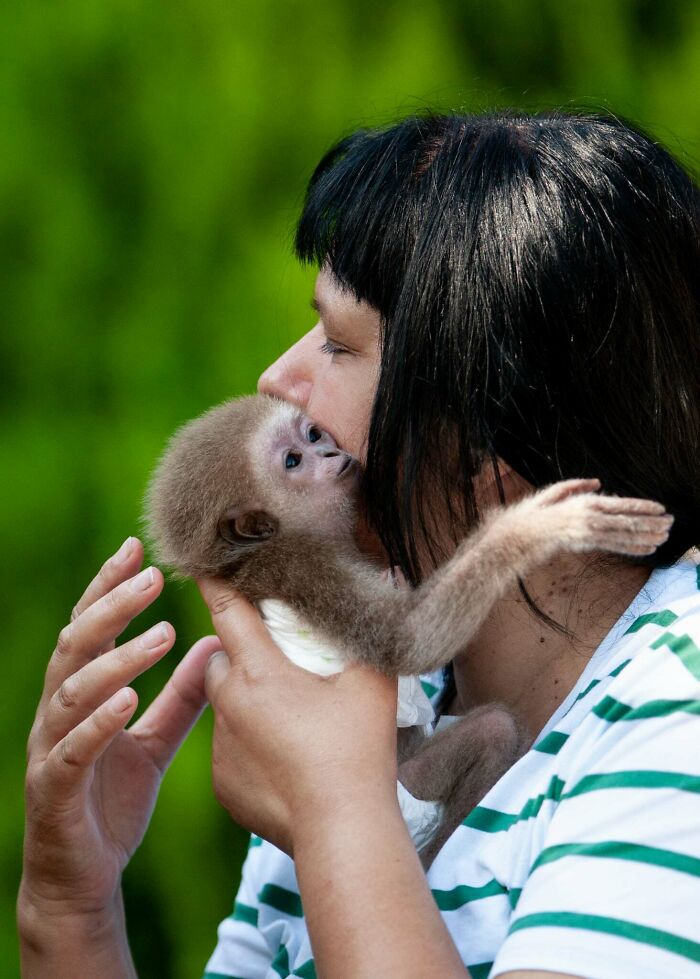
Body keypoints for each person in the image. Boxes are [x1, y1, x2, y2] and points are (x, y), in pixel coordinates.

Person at [19, 110, 700, 979]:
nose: (278, 378)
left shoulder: (676, 705)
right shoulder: (369, 709)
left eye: (340, 344)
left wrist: (338, 809)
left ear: (494, 444)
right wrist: (68, 907)